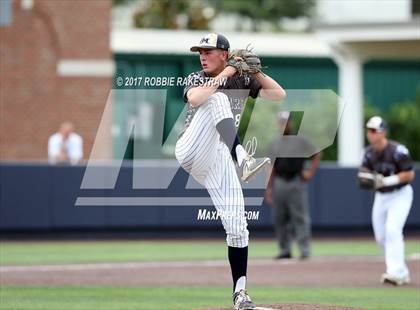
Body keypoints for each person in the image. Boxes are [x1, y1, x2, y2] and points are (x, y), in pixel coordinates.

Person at [175, 33, 285, 310]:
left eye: (209, 50)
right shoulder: (196, 77)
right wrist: (230, 69)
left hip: (219, 158)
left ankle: (240, 293)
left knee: (238, 226)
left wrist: (255, 72)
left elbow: (278, 95)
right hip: (192, 149)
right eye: (200, 51)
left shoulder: (240, 79)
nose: (202, 55)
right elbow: (196, 99)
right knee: (216, 100)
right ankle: (243, 158)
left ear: (224, 53)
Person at [359, 116, 415, 286]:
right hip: (381, 196)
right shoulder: (368, 152)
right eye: (369, 130)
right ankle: (401, 272)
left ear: (384, 132)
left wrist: (387, 181)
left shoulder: (398, 150)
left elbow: (409, 174)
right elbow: (363, 173)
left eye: (375, 130)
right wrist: (369, 178)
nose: (371, 134)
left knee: (393, 230)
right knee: (381, 237)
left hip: (400, 194)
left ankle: (395, 272)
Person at [265, 112, 320, 260]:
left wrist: (310, 172)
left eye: (285, 122)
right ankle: (285, 250)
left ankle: (304, 250)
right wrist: (269, 188)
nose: (283, 125)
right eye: (281, 122)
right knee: (279, 218)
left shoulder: (300, 140)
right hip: (279, 182)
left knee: (300, 217)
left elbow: (317, 153)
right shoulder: (275, 142)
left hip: (296, 181)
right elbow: (271, 167)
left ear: (290, 124)